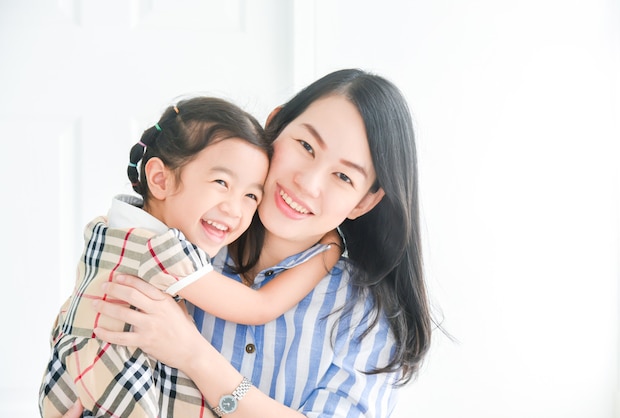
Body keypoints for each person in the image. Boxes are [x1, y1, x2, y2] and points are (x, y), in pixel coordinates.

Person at [75, 68, 432, 417]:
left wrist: (195, 355)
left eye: (342, 176)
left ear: (364, 202)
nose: (307, 183)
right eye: (306, 146)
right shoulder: (181, 242)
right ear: (274, 125)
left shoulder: (363, 314)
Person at [40, 96, 341, 418]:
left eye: (251, 195)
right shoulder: (157, 248)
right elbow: (258, 307)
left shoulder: (112, 229)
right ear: (160, 179)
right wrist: (328, 252)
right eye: (221, 182)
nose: (235, 209)